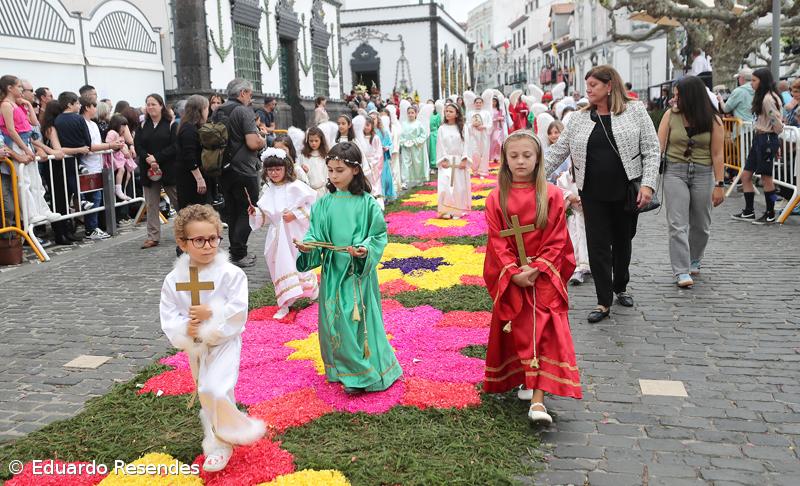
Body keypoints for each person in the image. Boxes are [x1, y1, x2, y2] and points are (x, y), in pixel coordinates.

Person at [544, 65, 660, 323]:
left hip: (625, 191)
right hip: (592, 193)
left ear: (609, 86)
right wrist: (530, 173)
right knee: (597, 247)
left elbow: (652, 150)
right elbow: (557, 152)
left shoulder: (635, 111)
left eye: (594, 85)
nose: (589, 90)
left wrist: (648, 184)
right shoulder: (578, 118)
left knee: (622, 242)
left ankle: (620, 285)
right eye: (587, 85)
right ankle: (603, 301)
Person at [483, 131, 581, 425]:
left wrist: (538, 267)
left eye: (527, 155)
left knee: (546, 332)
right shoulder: (496, 197)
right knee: (520, 329)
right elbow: (496, 242)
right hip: (513, 276)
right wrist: (513, 272)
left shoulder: (550, 195)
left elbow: (557, 238)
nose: (521, 161)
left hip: (544, 276)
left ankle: (538, 402)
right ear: (505, 160)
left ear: (538, 158)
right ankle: (526, 379)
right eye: (514, 156)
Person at [160, 204, 266, 473]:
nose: (208, 246)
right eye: (199, 240)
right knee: (207, 392)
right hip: (196, 347)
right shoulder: (174, 280)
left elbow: (238, 309)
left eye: (213, 238)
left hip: (225, 342)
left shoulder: (231, 275)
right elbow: (169, 313)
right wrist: (186, 328)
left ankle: (227, 438)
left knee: (214, 389)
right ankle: (218, 438)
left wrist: (212, 315)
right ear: (183, 243)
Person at [295, 142, 402, 394]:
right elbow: (316, 234)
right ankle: (342, 370)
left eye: (339, 170)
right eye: (330, 170)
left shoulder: (367, 203)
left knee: (357, 319)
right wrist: (308, 247)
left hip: (357, 272)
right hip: (333, 270)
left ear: (355, 170)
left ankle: (364, 374)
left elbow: (377, 235)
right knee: (335, 320)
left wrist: (364, 249)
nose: (333, 176)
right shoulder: (323, 204)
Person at [658, 76, 726, 288]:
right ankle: (681, 270)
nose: (674, 99)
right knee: (677, 224)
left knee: (701, 224)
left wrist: (720, 185)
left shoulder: (713, 120)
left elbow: (717, 154)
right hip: (674, 172)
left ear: (691, 96)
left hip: (703, 173)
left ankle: (694, 258)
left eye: (678, 95)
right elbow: (658, 148)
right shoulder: (670, 115)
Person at [249, 148, 318, 319]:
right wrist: (255, 213)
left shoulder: (296, 187)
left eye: (278, 169)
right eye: (270, 170)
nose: (274, 173)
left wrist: (295, 214)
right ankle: (285, 302)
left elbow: (313, 206)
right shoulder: (268, 189)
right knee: (278, 266)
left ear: (286, 168)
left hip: (294, 234)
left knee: (297, 263)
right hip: (276, 236)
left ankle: (309, 291)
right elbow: (266, 215)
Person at [213, 79, 266, 266]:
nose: (250, 98)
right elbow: (252, 142)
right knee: (247, 210)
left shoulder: (218, 111)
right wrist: (263, 140)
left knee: (233, 212)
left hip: (223, 169)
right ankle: (239, 253)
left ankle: (235, 252)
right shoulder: (243, 111)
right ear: (242, 92)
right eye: (250, 94)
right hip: (244, 169)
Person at [0, 75, 60, 225]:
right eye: (19, 87)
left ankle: (43, 210)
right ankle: (31, 213)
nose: (21, 90)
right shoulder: (6, 105)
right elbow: (11, 130)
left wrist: (26, 102)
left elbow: (33, 122)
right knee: (24, 181)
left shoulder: (18, 105)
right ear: (9, 88)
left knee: (35, 179)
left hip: (26, 141)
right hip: (17, 142)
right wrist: (25, 148)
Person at [732, 68, 784, 225]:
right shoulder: (763, 97)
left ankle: (770, 213)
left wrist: (776, 141)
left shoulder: (768, 99)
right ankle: (749, 211)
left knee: (766, 178)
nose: (751, 83)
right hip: (760, 138)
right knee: (746, 175)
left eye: (754, 80)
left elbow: (776, 122)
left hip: (767, 138)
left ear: (763, 81)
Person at [135, 93, 179, 249]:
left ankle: (186, 231)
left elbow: (174, 146)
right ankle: (153, 236)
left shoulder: (171, 124)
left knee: (177, 201)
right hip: (148, 169)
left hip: (167, 167)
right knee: (151, 203)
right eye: (148, 104)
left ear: (161, 105)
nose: (150, 107)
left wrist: (157, 158)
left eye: (153, 104)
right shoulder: (142, 125)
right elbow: (138, 145)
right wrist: (147, 158)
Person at [80, 96, 123, 240]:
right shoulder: (82, 123)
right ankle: (91, 228)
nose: (95, 110)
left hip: (97, 163)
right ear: (87, 107)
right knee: (93, 198)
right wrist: (110, 146)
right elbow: (90, 146)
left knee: (97, 198)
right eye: (93, 106)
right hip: (87, 165)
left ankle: (94, 226)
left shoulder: (93, 124)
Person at [435, 102, 471, 219]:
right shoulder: (442, 128)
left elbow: (467, 144)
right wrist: (443, 159)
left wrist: (464, 159)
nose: (448, 113)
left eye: (451, 111)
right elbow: (440, 145)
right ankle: (446, 210)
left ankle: (457, 211)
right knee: (445, 185)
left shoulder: (463, 127)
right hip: (446, 161)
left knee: (458, 187)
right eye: (446, 111)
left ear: (456, 114)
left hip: (459, 160)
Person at [176, 95, 210, 211]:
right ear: (200, 110)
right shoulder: (189, 129)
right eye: (206, 109)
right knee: (193, 212)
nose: (208, 112)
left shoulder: (191, 127)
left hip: (191, 175)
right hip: (190, 178)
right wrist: (199, 179)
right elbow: (189, 156)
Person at [106, 114, 136, 201]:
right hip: (114, 157)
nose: (124, 128)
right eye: (123, 125)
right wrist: (122, 148)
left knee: (129, 174)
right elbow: (109, 143)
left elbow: (124, 145)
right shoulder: (112, 133)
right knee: (122, 169)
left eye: (125, 126)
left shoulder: (120, 134)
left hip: (119, 156)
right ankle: (118, 190)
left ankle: (121, 190)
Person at [399, 105, 428, 189]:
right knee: (405, 163)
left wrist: (415, 141)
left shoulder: (419, 124)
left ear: (416, 114)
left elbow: (423, 135)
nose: (410, 114)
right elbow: (400, 135)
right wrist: (404, 142)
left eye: (412, 113)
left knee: (417, 163)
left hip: (416, 147)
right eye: (409, 113)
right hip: (406, 147)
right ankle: (405, 181)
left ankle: (419, 179)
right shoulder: (403, 124)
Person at [299, 126, 330, 199]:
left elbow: (327, 174)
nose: (313, 143)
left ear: (321, 140)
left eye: (316, 141)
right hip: (308, 191)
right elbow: (300, 174)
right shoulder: (303, 155)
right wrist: (303, 171)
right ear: (307, 141)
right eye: (311, 141)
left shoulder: (325, 155)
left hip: (323, 191)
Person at [467, 97, 491, 179]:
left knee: (484, 153)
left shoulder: (486, 113)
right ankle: (474, 170)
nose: (478, 104)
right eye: (476, 102)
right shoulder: (470, 113)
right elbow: (467, 124)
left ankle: (483, 171)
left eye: (480, 102)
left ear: (482, 103)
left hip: (483, 135)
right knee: (474, 152)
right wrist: (472, 125)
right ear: (474, 104)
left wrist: (483, 127)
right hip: (473, 135)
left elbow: (490, 124)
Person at [373, 112, 395, 202]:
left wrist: (386, 148)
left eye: (374, 118)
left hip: (383, 158)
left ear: (378, 120)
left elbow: (389, 144)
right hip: (373, 159)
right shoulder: (369, 133)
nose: (372, 120)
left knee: (385, 178)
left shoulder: (382, 132)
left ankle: (385, 195)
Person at [489, 97, 506, 164]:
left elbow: (503, 118)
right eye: (492, 101)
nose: (494, 103)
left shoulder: (500, 110)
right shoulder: (489, 110)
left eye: (495, 101)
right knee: (492, 142)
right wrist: (495, 119)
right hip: (491, 127)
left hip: (498, 128)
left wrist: (500, 118)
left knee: (497, 141)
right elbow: (489, 119)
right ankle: (492, 157)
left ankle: (497, 156)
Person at [428, 101, 441, 170]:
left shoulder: (437, 115)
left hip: (434, 133)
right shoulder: (427, 115)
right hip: (428, 133)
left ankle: (434, 164)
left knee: (434, 149)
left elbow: (439, 125)